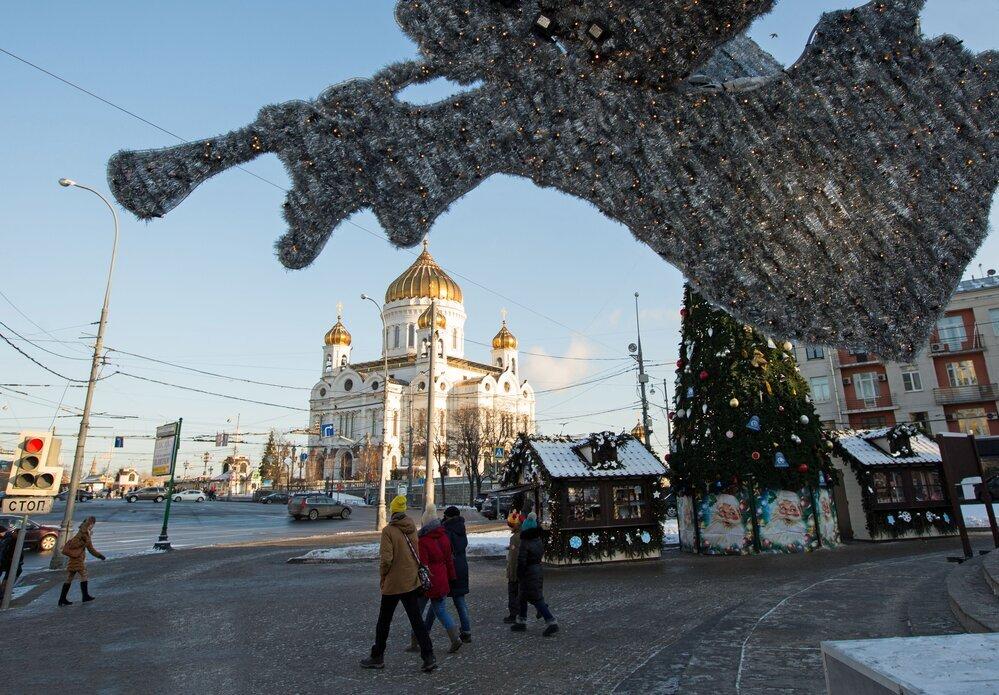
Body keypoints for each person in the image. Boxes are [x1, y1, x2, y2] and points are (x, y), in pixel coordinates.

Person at [361, 495, 436, 672]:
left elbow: (386, 559)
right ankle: (428, 656)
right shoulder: (411, 527)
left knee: (384, 621)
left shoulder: (388, 531)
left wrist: (383, 576)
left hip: (393, 584)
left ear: (392, 511)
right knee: (416, 620)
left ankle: (377, 656)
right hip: (411, 581)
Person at [417, 506, 463, 653]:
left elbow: (422, 564)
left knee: (417, 611)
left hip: (428, 581)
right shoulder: (444, 537)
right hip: (442, 578)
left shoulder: (423, 541)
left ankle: (416, 641)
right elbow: (449, 560)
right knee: (441, 611)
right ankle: (455, 638)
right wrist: (452, 577)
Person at [512, 512, 558, 636]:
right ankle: (521, 620)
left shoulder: (525, 542)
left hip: (528, 573)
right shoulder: (538, 540)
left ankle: (551, 621)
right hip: (537, 570)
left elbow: (522, 561)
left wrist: (519, 573)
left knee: (536, 598)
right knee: (523, 596)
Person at [434, 505, 471, 642]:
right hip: (462, 567)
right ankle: (466, 631)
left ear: (448, 516)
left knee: (437, 602)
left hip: (451, 569)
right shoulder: (461, 528)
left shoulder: (447, 530)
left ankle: (425, 629)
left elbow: (444, 549)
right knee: (460, 601)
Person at [58, 516, 106, 606]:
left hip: (75, 558)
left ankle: (62, 599)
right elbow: (74, 545)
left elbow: (90, 548)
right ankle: (85, 596)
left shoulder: (85, 533)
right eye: (92, 524)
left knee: (70, 577)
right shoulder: (83, 534)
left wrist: (99, 556)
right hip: (77, 558)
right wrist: (84, 542)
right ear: (90, 524)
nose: (93, 526)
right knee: (84, 574)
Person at [503, 509, 525, 623]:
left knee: (513, 593)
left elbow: (513, 559)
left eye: (510, 525)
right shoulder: (522, 535)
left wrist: (511, 573)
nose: (510, 528)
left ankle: (513, 615)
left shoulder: (515, 538)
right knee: (521, 594)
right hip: (521, 571)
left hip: (515, 572)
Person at [0, 526, 25, 595]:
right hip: (8, 562)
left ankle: (4, 590)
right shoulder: (11, 540)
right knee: (9, 576)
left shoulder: (10, 538)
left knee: (9, 575)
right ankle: (4, 591)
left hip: (9, 562)